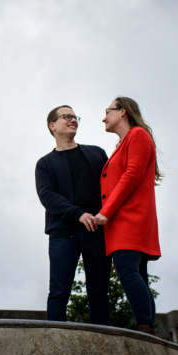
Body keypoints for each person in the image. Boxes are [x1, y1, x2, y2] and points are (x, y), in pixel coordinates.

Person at [35, 105, 111, 325]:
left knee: (99, 294)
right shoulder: (45, 163)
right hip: (63, 235)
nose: (73, 120)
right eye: (66, 117)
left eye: (74, 117)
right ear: (52, 126)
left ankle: (102, 342)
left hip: (98, 233)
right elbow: (47, 196)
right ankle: (57, 342)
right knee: (59, 293)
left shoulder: (97, 153)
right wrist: (77, 214)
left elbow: (111, 187)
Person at [94, 97, 161, 335]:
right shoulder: (124, 142)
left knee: (127, 269)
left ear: (122, 111)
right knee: (137, 272)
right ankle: (147, 325)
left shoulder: (137, 135)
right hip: (125, 217)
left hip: (130, 217)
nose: (104, 117)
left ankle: (144, 326)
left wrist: (105, 212)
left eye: (107, 112)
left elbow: (131, 175)